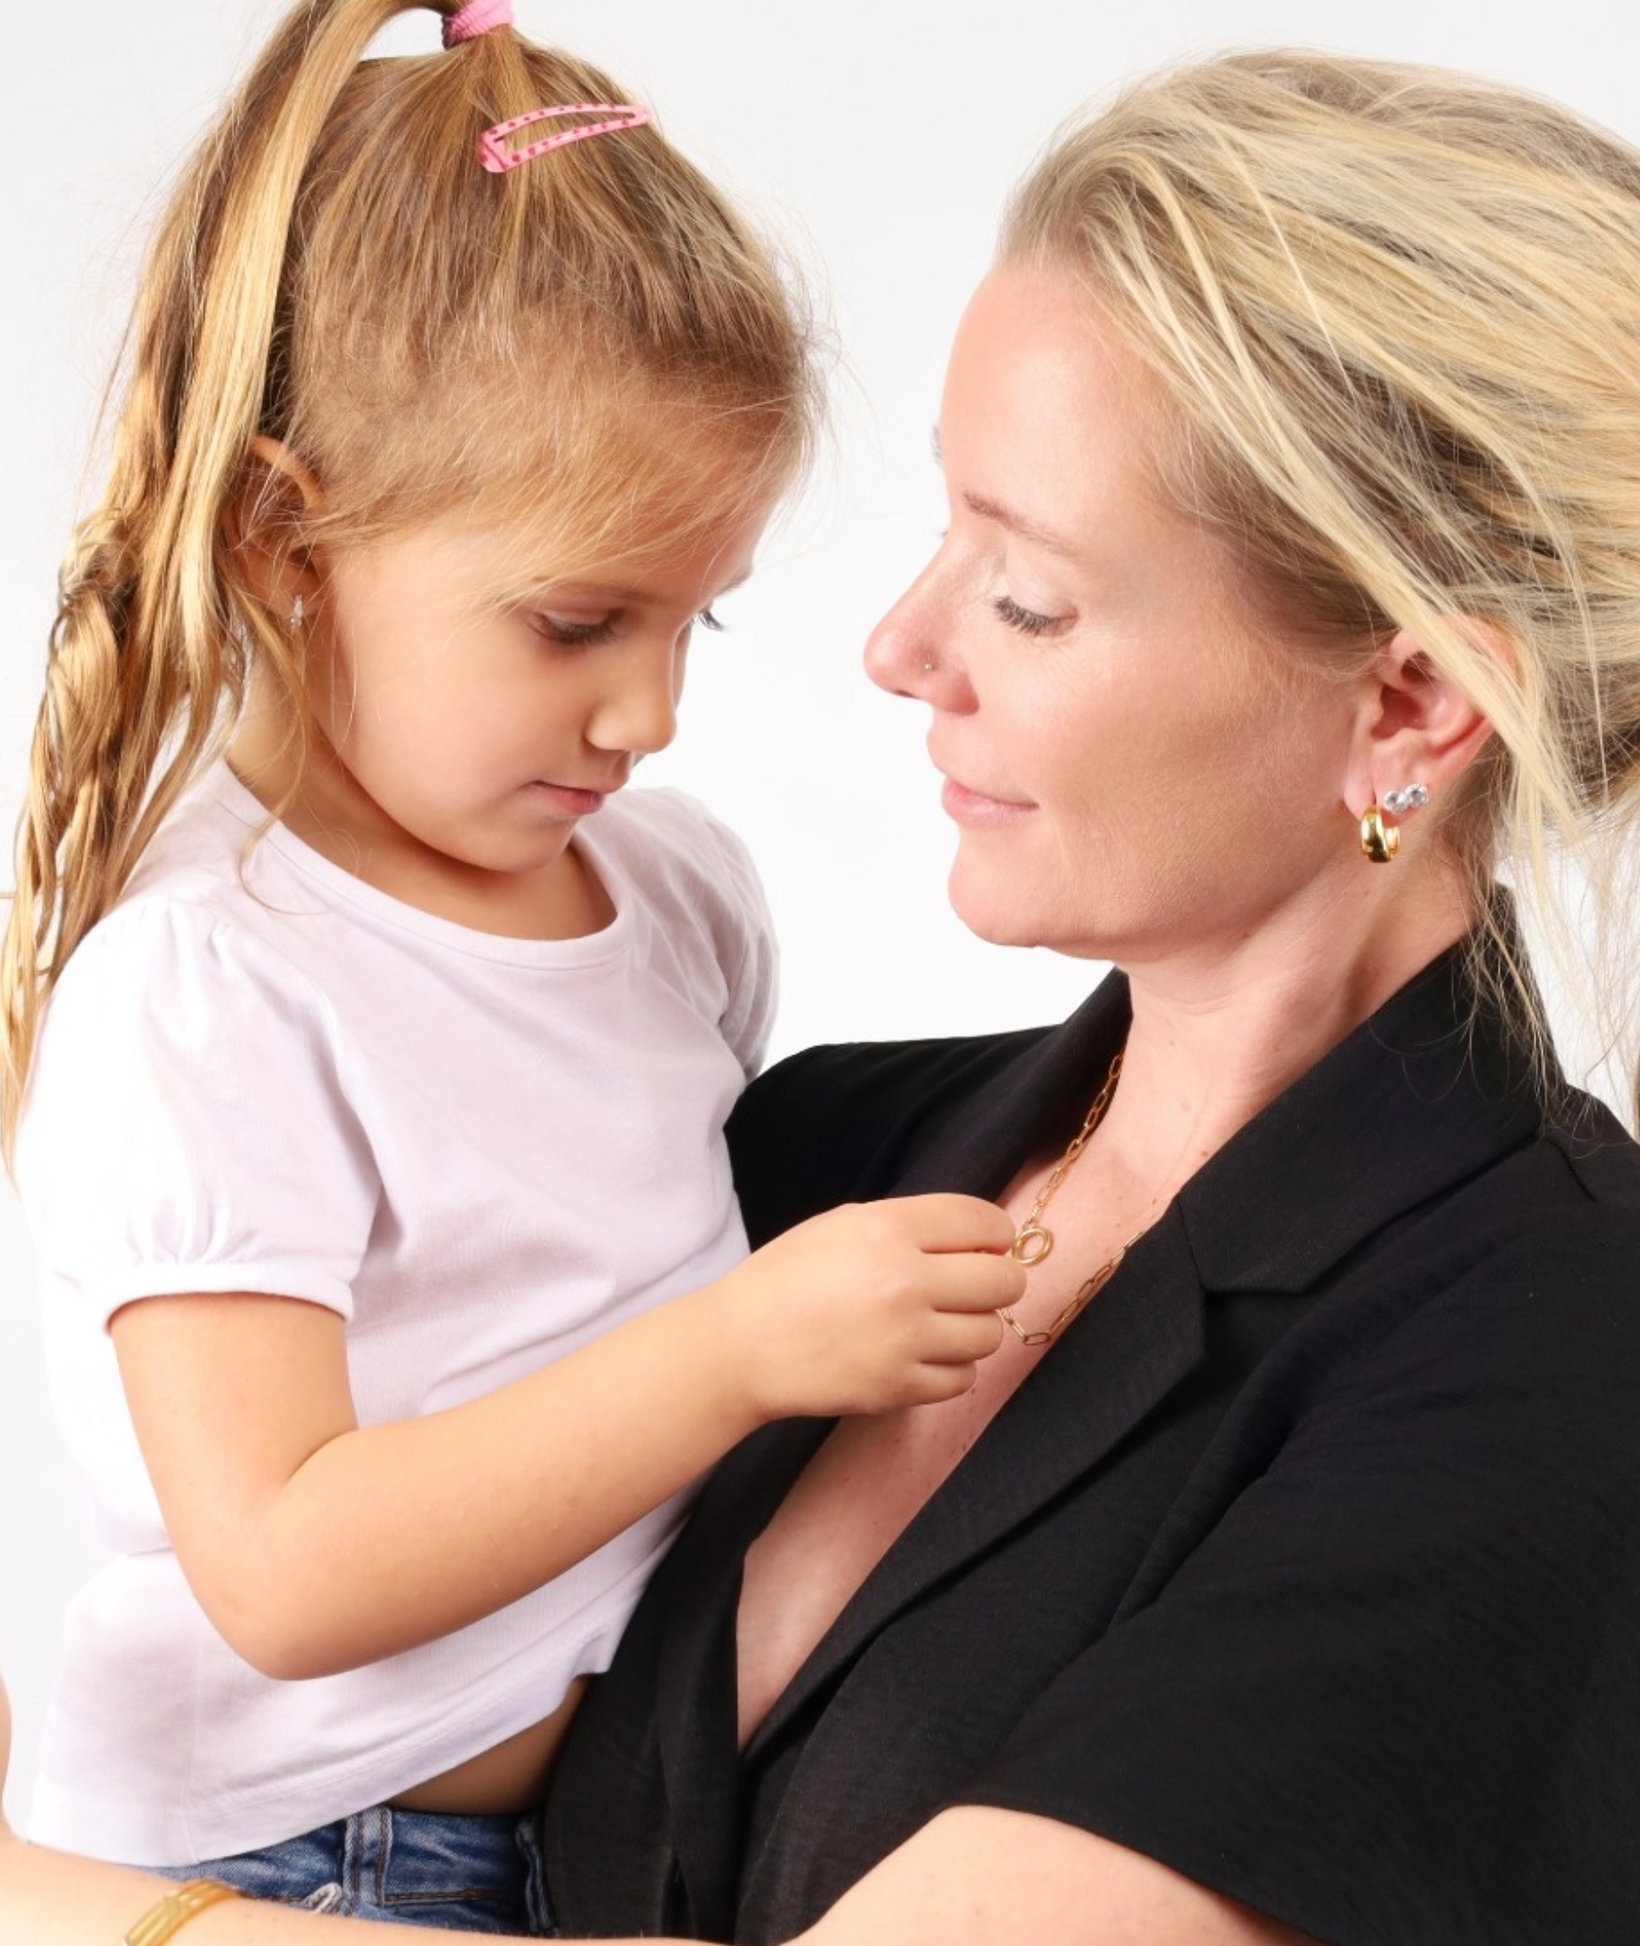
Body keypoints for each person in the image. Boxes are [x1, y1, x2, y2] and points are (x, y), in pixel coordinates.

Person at [4, 40, 1640, 1946]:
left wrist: (75, 1909)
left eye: (1022, 589)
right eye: (936, 525)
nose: (893, 644)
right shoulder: (812, 1154)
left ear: (1412, 702)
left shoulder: (1591, 1364)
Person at [0, 0, 1026, 1929]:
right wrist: (736, 1355)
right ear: (287, 543)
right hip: (287, 1870)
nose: (643, 710)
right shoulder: (217, 984)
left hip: (603, 1826)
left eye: (690, 623)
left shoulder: (676, 894)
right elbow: (286, 1568)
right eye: (574, 622)